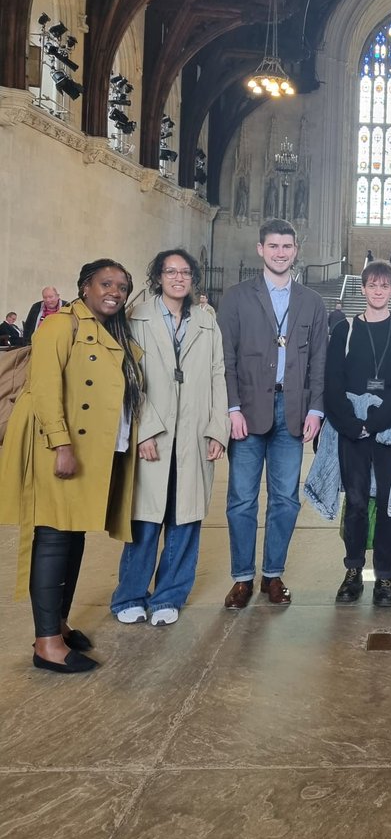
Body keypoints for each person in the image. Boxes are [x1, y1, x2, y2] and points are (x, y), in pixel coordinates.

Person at [0, 260, 142, 673]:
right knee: (52, 537)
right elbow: (45, 388)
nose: (114, 291)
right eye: (106, 283)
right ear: (85, 287)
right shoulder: (62, 325)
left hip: (90, 449)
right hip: (56, 444)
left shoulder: (109, 328)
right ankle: (46, 644)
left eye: (122, 286)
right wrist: (60, 444)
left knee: (73, 535)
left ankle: (57, 624)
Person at [111, 250, 228, 626]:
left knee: (186, 519)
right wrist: (143, 430)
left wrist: (217, 429)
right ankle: (129, 595)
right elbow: (130, 379)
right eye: (170, 271)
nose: (179, 278)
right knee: (145, 520)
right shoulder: (137, 318)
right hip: (155, 434)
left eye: (185, 272)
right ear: (158, 277)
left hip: (194, 434)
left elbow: (217, 376)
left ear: (193, 278)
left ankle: (168, 597)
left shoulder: (207, 321)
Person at [217, 218, 328, 608]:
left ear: (296, 251)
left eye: (287, 247)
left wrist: (316, 408)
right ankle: (242, 578)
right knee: (242, 499)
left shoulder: (312, 302)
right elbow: (225, 359)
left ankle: (273, 575)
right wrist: (231, 408)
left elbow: (319, 361)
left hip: (293, 412)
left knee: (285, 498)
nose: (281, 253)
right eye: (273, 246)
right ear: (260, 249)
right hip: (246, 411)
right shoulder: (236, 297)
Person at [318, 259, 391, 606]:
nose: (378, 291)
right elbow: (332, 382)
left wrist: (373, 424)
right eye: (372, 285)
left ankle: (385, 578)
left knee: (390, 505)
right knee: (358, 502)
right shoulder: (344, 330)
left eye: (384, 286)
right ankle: (353, 571)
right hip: (351, 432)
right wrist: (351, 425)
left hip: (388, 431)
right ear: (362, 289)